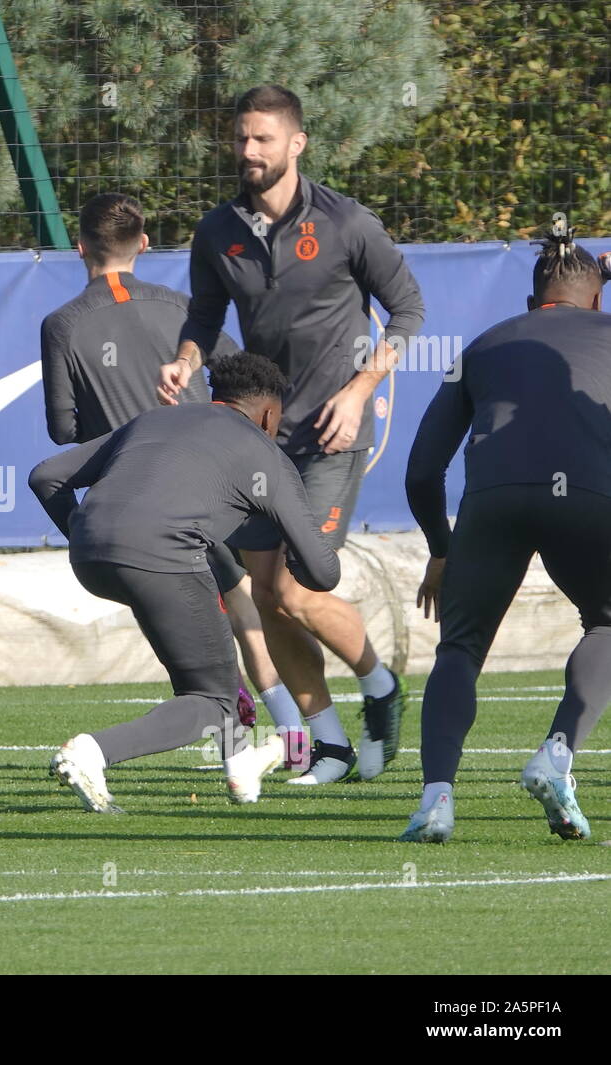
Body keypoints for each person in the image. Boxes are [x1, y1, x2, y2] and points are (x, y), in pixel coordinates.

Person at [157, 85, 425, 784]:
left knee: (302, 586)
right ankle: (329, 742)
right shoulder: (218, 230)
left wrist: (362, 388)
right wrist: (186, 360)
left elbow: (407, 311)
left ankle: (380, 684)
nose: (248, 151)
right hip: (258, 435)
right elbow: (204, 316)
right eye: (241, 138)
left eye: (263, 139)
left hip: (333, 433)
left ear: (297, 143)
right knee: (262, 587)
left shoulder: (347, 223)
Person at [40, 190, 308, 766]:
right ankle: (289, 738)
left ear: (79, 246)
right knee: (238, 602)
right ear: (143, 244)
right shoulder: (185, 311)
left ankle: (260, 736)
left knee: (202, 619)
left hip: (133, 500)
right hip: (211, 483)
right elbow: (242, 377)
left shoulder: (61, 324)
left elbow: (63, 432)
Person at [29, 353, 340, 812]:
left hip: (91, 556)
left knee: (210, 668)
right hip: (165, 557)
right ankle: (92, 752)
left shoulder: (155, 419)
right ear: (271, 414)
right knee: (213, 700)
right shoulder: (265, 453)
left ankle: (242, 771)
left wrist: (82, 532)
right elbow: (324, 573)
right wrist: (291, 558)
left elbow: (46, 476)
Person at [401, 231, 611, 843]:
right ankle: (557, 754)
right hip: (591, 498)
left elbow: (421, 470)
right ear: (595, 302)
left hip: (493, 504)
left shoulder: (484, 344)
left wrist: (442, 547)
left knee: (460, 650)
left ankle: (436, 801)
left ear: (529, 299)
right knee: (606, 622)